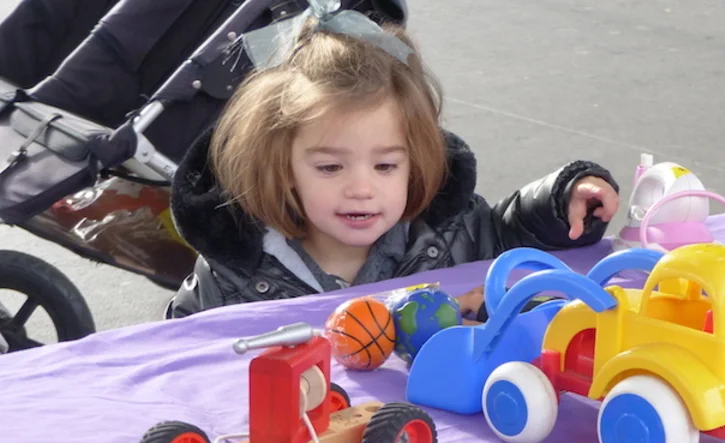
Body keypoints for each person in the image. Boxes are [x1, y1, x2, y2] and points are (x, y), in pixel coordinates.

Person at [164, 5, 619, 318]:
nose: (362, 189)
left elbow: (513, 236)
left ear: (415, 162)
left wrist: (562, 203)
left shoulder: (451, 231)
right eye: (330, 167)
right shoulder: (230, 276)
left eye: (385, 166)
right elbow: (174, 357)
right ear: (281, 167)